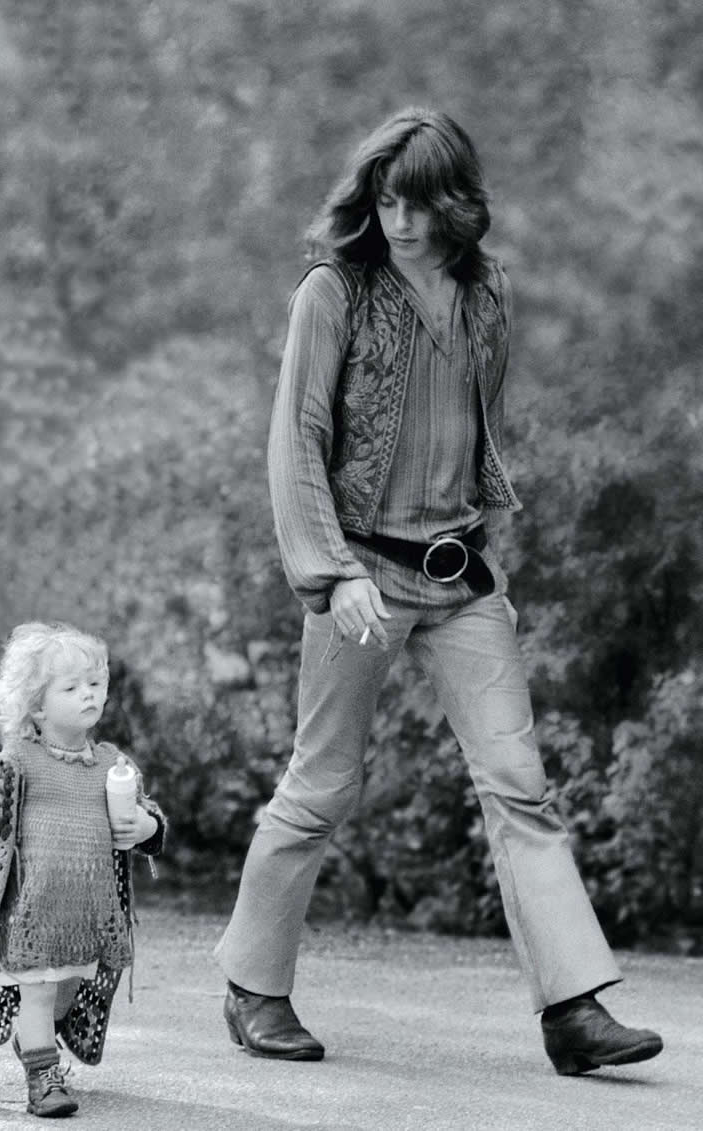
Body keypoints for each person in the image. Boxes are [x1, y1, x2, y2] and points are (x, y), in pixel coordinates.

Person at [214, 107, 663, 1075]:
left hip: (461, 579)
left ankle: (572, 1012)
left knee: (520, 788)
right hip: (359, 576)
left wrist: (473, 524)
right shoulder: (334, 291)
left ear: (455, 204)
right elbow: (295, 441)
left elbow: (472, 424)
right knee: (324, 785)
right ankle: (253, 989)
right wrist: (330, 575)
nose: (402, 224)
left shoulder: (483, 295)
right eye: (384, 202)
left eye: (418, 205)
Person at [0, 622, 166, 1117]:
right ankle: (43, 1077)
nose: (89, 695)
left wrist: (145, 827)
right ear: (37, 707)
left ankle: (35, 1041)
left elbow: (144, 812)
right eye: (72, 688)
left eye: (95, 684)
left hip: (89, 914)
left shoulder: (113, 764)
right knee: (38, 991)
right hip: (32, 913)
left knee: (63, 996)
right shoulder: (16, 763)